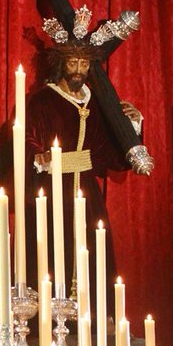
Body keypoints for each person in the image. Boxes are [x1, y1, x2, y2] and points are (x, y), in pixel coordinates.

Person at [26, 45, 144, 293]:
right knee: (55, 248)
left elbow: (112, 153)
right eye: (72, 63)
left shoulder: (98, 103)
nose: (78, 71)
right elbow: (26, 139)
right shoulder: (42, 100)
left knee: (93, 249)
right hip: (53, 192)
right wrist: (41, 157)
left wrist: (131, 125)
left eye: (84, 64)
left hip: (89, 195)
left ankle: (95, 319)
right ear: (61, 64)